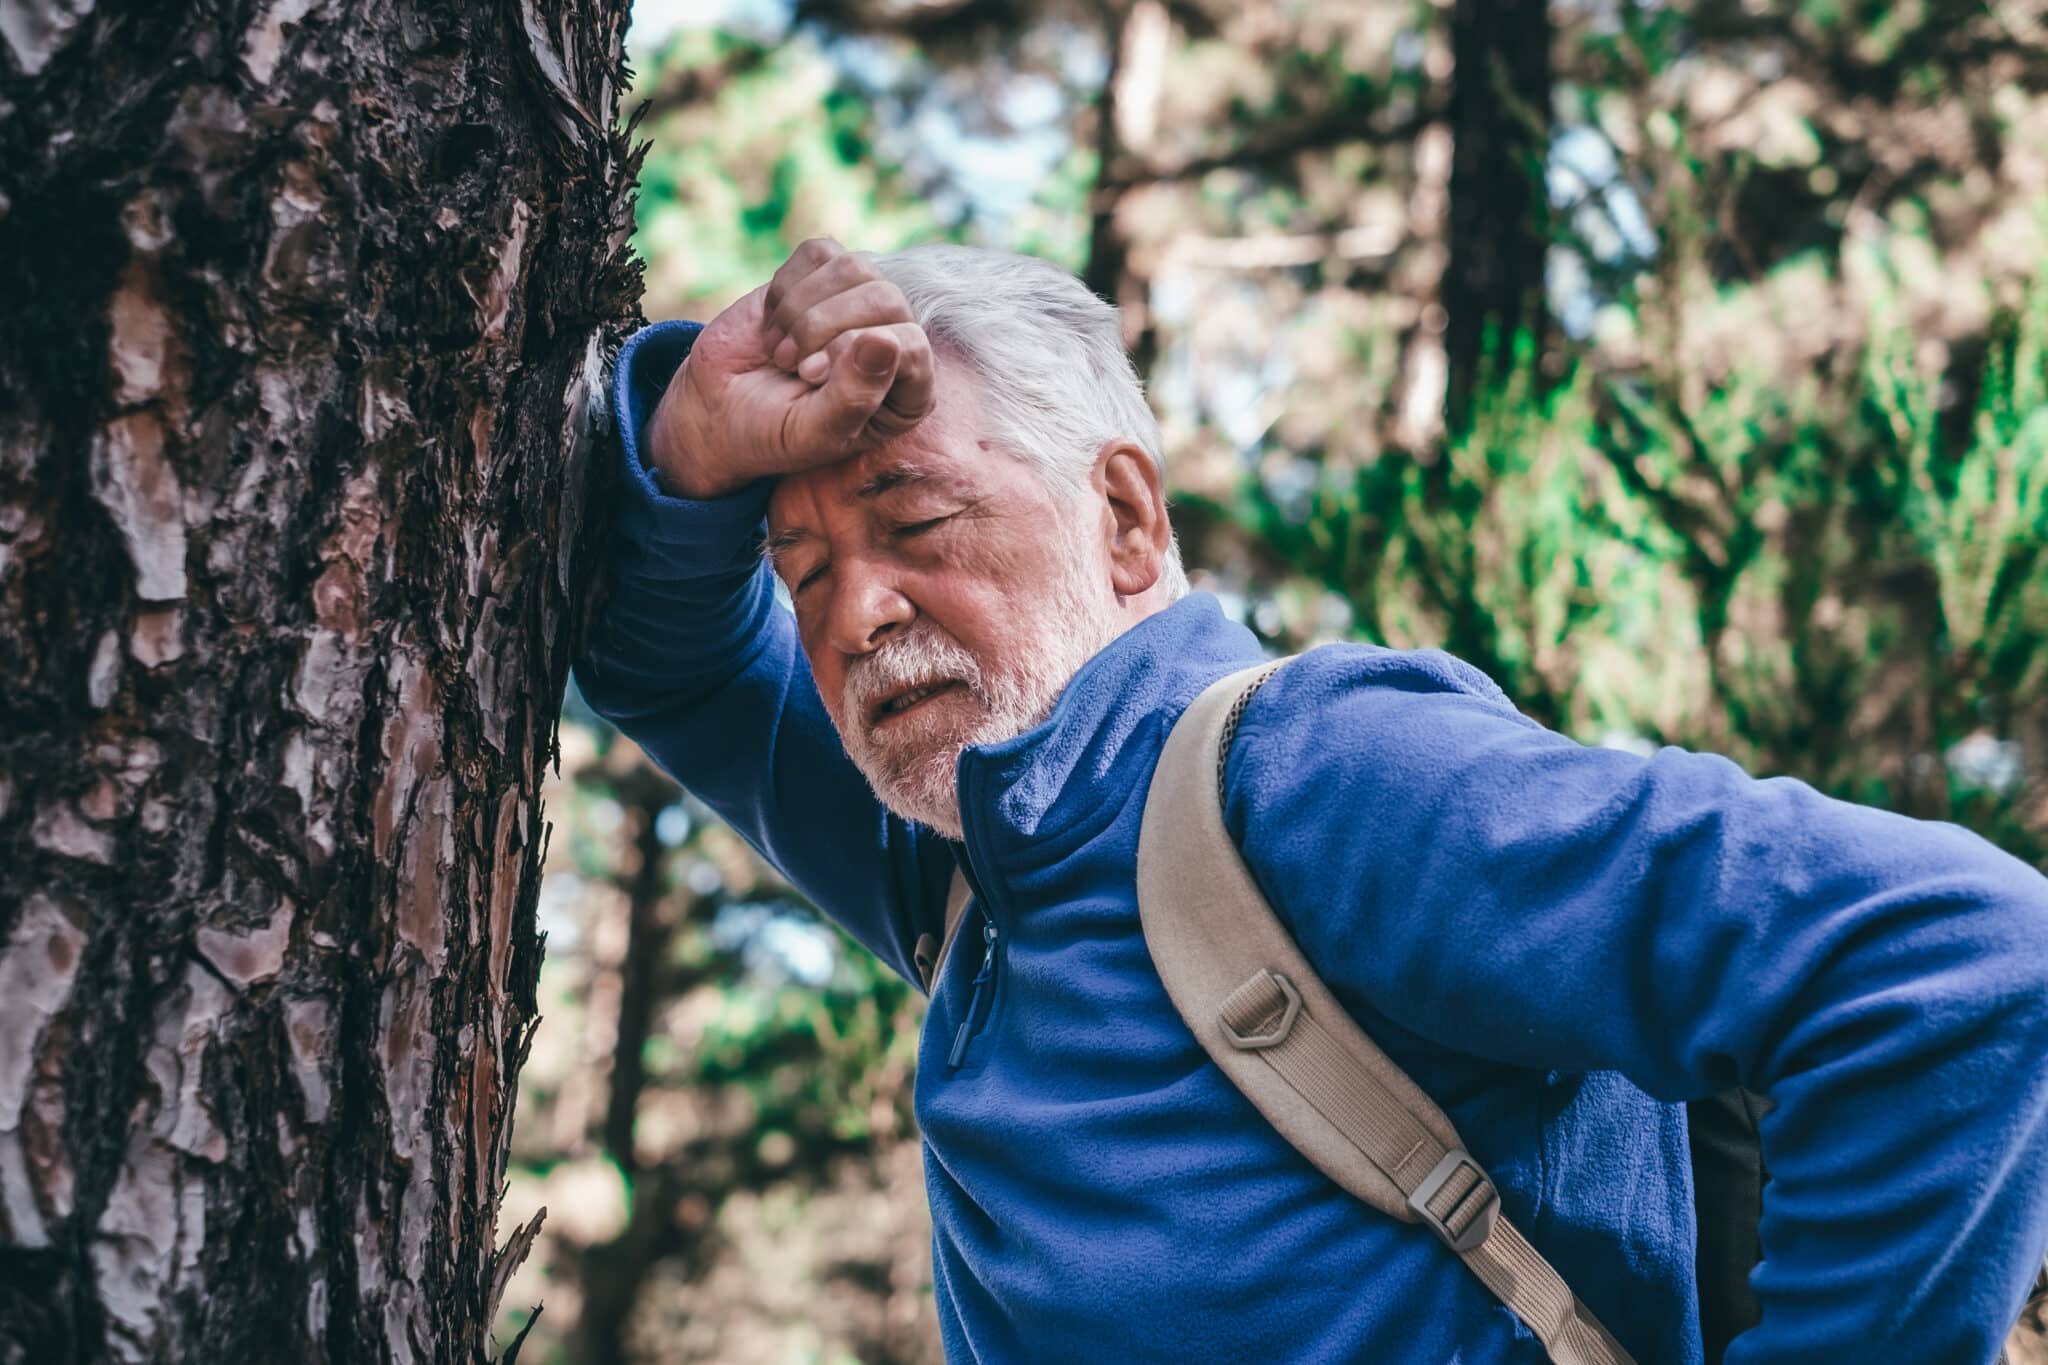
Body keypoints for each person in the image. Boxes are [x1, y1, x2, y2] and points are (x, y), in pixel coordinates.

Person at [575, 237, 2048, 1364]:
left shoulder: (1314, 781)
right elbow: (669, 662)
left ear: (1131, 522)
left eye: (916, 521)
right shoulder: (968, 872)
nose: (857, 616)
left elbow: (1961, 962)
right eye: (807, 570)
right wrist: (692, 445)